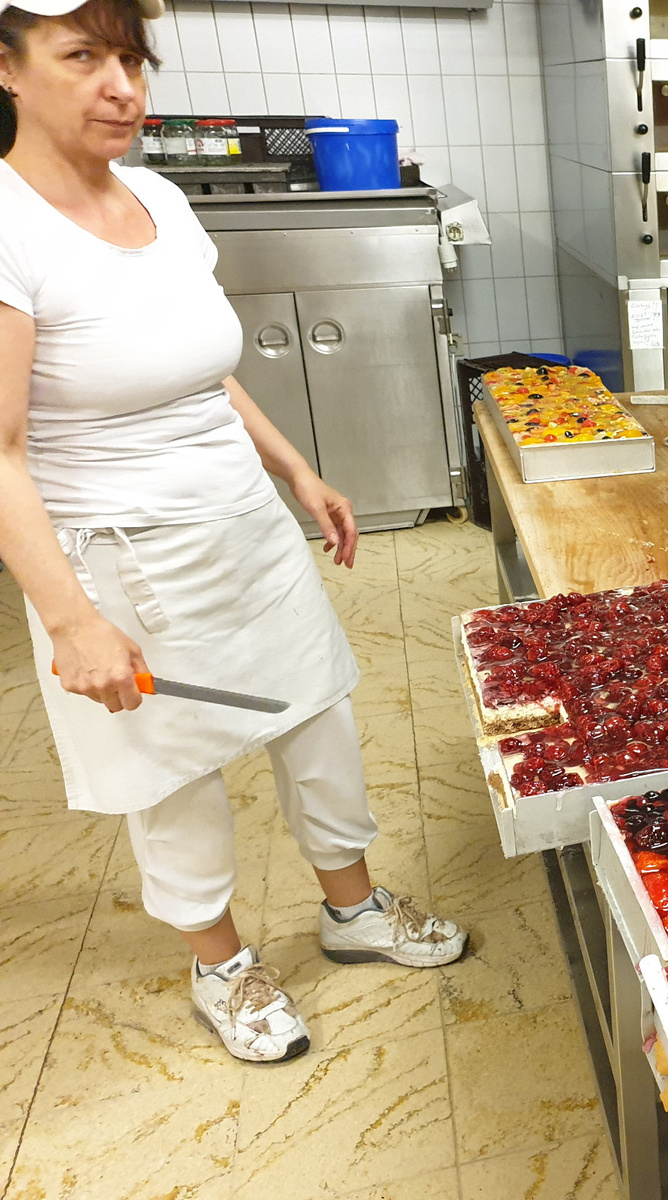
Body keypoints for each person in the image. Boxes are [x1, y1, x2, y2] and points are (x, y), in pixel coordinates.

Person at [0, 0, 466, 1063]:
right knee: (171, 775)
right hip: (119, 560)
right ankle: (220, 963)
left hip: (242, 527)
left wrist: (296, 469)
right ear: (9, 70)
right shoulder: (7, 225)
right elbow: (3, 452)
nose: (121, 85)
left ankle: (352, 913)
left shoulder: (158, 194)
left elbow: (204, 370)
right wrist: (70, 622)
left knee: (317, 719)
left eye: (131, 58)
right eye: (83, 56)